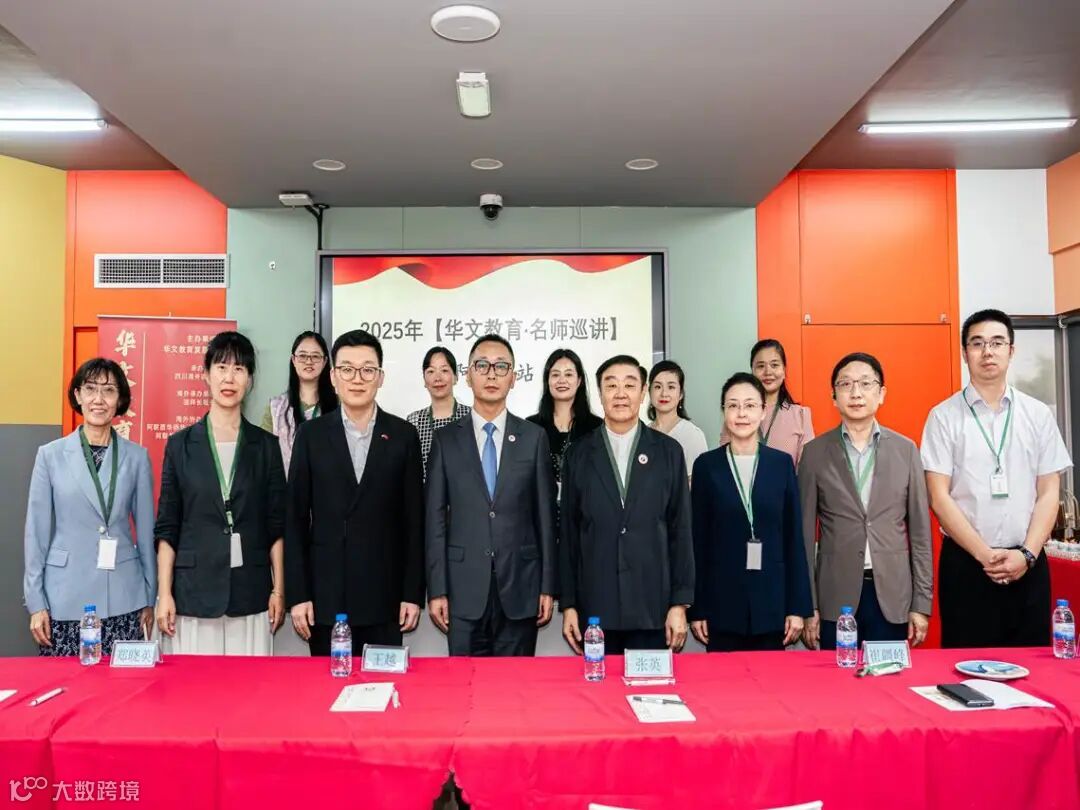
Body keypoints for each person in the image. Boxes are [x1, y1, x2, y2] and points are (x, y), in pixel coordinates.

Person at [922, 309, 1071, 648]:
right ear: (965, 353)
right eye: (977, 343)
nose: (987, 351)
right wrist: (984, 555)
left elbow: (1049, 492)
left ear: (1011, 351)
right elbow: (938, 497)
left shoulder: (1038, 414)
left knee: (1032, 666)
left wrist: (1028, 554)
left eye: (997, 342)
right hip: (967, 565)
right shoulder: (943, 417)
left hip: (1028, 562)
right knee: (965, 666)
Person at [286, 329, 425, 655]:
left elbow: (414, 522)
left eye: (367, 370)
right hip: (327, 596)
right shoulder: (311, 436)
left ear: (380, 377)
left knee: (382, 681)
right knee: (327, 683)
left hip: (385, 596)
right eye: (347, 369)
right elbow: (295, 520)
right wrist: (299, 595)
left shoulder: (403, 435)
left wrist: (412, 594)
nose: (357, 379)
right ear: (333, 377)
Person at [155, 331, 287, 655]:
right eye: (222, 367)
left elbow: (276, 525)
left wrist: (279, 590)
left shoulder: (266, 447)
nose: (229, 378)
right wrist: (164, 593)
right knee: (196, 684)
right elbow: (167, 527)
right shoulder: (180, 446)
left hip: (251, 591)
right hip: (193, 593)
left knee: (251, 684)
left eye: (239, 369)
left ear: (250, 380)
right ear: (206, 375)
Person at [425, 334, 556, 656]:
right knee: (462, 682)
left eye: (501, 367)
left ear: (514, 378)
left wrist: (547, 586)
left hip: (521, 586)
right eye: (482, 366)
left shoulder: (534, 438)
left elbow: (545, 516)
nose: (492, 374)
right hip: (462, 588)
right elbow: (435, 519)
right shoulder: (445, 440)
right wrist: (437, 589)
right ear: (468, 375)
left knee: (515, 684)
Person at [798, 353, 933, 651]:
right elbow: (804, 537)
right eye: (845, 384)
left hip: (893, 595)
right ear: (834, 397)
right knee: (836, 677)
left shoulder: (906, 450)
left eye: (865, 383)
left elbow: (921, 534)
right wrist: (808, 605)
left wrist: (921, 604)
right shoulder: (814, 453)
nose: (856, 393)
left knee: (889, 675)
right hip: (835, 596)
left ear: (881, 393)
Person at [560, 355, 693, 654]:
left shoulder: (668, 452)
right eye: (611, 385)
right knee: (598, 685)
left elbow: (681, 530)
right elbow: (569, 533)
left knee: (650, 684)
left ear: (643, 392)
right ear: (600, 393)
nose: (620, 394)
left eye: (630, 385)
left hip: (653, 607)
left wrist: (679, 604)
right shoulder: (579, 454)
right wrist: (568, 604)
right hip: (595, 608)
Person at [23, 359, 156, 656]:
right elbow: (36, 533)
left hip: (124, 595)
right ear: (78, 395)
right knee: (65, 682)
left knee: (122, 684)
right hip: (64, 596)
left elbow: (147, 534)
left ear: (119, 399)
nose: (99, 399)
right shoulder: (50, 456)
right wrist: (36, 602)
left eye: (108, 390)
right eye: (91, 389)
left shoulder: (137, 458)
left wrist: (149, 596)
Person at [690, 372, 811, 652]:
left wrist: (797, 607)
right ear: (724, 412)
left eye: (749, 405)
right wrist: (698, 608)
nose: (741, 413)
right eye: (733, 405)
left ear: (763, 411)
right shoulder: (706, 466)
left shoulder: (781, 464)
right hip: (721, 604)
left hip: (773, 603)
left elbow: (794, 538)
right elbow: (697, 541)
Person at [723, 339, 814, 465]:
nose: (768, 372)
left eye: (774, 365)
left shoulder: (801, 416)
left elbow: (807, 468)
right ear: (752, 371)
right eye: (761, 366)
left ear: (784, 370)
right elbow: (725, 462)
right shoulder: (737, 415)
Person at [261, 331, 338, 475]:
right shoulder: (275, 408)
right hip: (285, 487)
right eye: (302, 356)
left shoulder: (340, 406)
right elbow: (264, 459)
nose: (309, 361)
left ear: (325, 361)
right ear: (293, 360)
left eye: (315, 356)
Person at [526, 348, 602, 490]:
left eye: (568, 374)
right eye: (555, 375)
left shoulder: (597, 427)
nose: (562, 380)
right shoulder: (531, 426)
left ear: (579, 381)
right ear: (547, 381)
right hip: (541, 503)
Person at [406, 345, 470, 478]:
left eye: (444, 370)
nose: (437, 378)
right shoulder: (414, 421)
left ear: (455, 377)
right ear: (424, 380)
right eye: (431, 371)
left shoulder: (471, 416)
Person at [647, 359, 708, 483]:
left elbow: (698, 485)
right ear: (649, 392)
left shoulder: (692, 435)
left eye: (671, 387)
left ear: (681, 394)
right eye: (658, 386)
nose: (664, 393)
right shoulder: (642, 433)